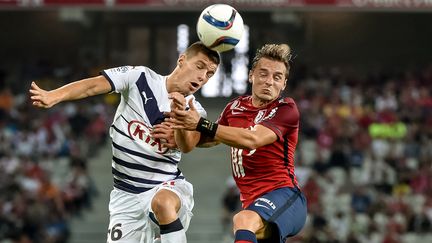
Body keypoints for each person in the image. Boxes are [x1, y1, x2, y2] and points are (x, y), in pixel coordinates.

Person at [29, 41, 220, 243]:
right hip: (125, 195)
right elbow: (93, 85)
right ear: (182, 60)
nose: (202, 77)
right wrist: (53, 96)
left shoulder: (195, 110)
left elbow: (188, 145)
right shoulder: (140, 78)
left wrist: (181, 119)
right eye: (200, 66)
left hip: (167, 186)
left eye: (209, 74)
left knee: (163, 203)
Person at [166, 44, 307, 243]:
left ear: (284, 84)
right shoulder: (234, 107)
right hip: (255, 204)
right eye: (263, 74)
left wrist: (199, 123)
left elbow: (253, 139)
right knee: (246, 221)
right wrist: (179, 123)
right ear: (251, 75)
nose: (269, 82)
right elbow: (203, 141)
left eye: (277, 77)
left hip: (285, 196)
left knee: (243, 219)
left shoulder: (286, 109)